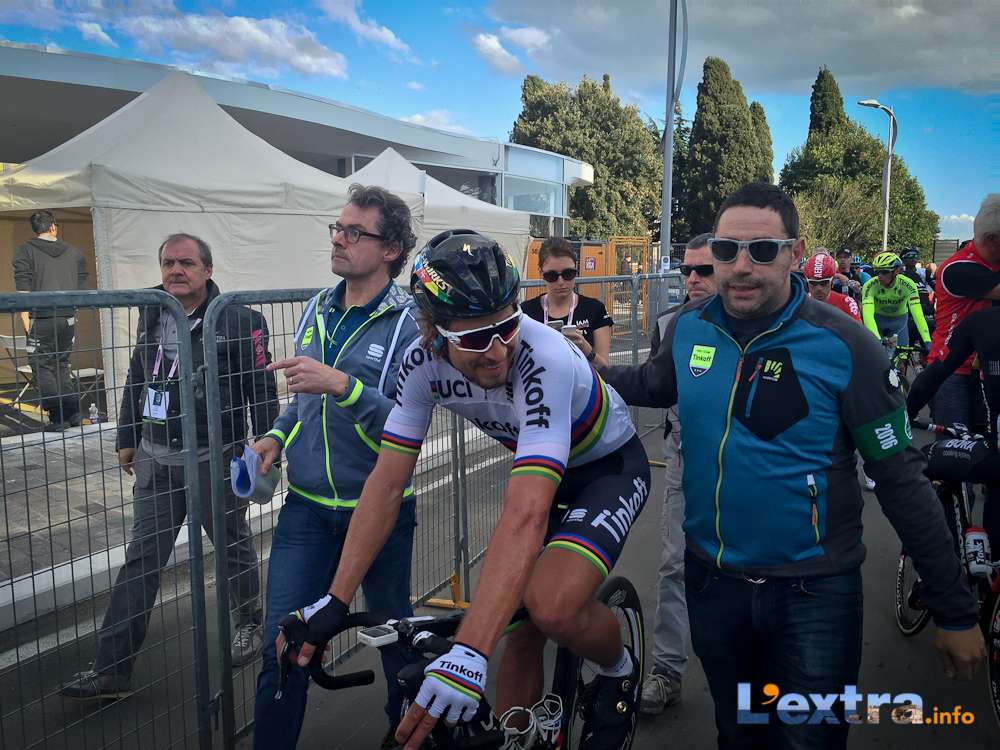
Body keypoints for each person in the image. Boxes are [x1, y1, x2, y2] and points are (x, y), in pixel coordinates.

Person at [599, 182, 984, 749]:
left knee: (809, 741)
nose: (741, 267)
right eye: (726, 250)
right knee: (740, 733)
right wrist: (583, 368)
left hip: (815, 594)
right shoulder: (687, 327)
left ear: (795, 253)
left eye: (762, 250)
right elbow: (651, 384)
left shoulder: (846, 344)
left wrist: (954, 609)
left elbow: (902, 479)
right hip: (715, 584)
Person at [278, 230, 650, 750]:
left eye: (506, 327)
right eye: (474, 339)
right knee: (521, 628)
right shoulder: (420, 364)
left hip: (607, 469)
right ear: (432, 331)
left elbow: (525, 516)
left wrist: (471, 652)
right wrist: (335, 600)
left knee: (551, 606)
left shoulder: (543, 356)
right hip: (547, 466)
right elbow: (386, 483)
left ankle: (618, 669)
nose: (496, 352)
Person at [61, 233, 277, 699]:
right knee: (142, 558)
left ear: (207, 270)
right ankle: (111, 669)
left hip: (213, 456)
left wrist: (267, 442)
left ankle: (250, 623)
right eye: (168, 263)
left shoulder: (239, 319)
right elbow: (139, 376)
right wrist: (126, 437)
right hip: (156, 457)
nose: (175, 271)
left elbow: (260, 387)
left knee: (232, 546)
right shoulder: (152, 309)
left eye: (186, 263)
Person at [250, 185, 421, 750]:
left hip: (380, 512)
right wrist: (276, 437)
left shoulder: (408, 323)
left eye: (354, 232)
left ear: (391, 249)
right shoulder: (316, 307)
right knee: (282, 643)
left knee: (392, 638)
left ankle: (407, 737)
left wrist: (343, 385)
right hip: (306, 511)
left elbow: (404, 425)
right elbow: (303, 401)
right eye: (337, 228)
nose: (339, 240)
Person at [639, 232, 714, 715]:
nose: (692, 279)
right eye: (687, 270)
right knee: (674, 564)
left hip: (745, 466)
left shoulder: (754, 323)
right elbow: (653, 385)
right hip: (683, 457)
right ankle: (666, 670)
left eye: (704, 270)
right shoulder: (670, 322)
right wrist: (594, 367)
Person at [907, 304, 1000, 556]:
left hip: (994, 456)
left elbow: (933, 376)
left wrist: (905, 414)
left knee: (926, 457)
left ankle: (946, 564)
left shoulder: (981, 322)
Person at [927, 194, 1000, 429]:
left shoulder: (992, 262)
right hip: (953, 371)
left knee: (989, 441)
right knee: (954, 444)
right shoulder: (958, 268)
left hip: (985, 368)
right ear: (991, 239)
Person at [12, 210, 89, 429]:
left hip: (42, 318)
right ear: (53, 226)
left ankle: (58, 417)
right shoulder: (74, 253)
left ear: (35, 229)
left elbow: (23, 291)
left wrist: (26, 322)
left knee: (41, 364)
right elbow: (82, 287)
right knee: (62, 364)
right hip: (68, 318)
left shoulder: (25, 251)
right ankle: (73, 414)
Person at [521, 237, 614, 368]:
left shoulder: (595, 309)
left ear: (576, 269)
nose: (561, 282)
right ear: (541, 273)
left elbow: (605, 367)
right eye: (552, 276)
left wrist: (586, 349)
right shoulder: (526, 312)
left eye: (568, 274)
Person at [860, 251, 932, 354]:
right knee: (876, 356)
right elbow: (867, 315)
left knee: (901, 357)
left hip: (899, 323)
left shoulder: (908, 284)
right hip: (877, 321)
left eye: (884, 272)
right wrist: (876, 339)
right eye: (877, 272)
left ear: (896, 271)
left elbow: (918, 314)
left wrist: (927, 340)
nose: (880, 276)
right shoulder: (869, 285)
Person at [803, 252, 861, 321]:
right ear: (807, 283)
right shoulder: (799, 304)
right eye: (813, 283)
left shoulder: (847, 303)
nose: (819, 288)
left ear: (832, 282)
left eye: (824, 283)